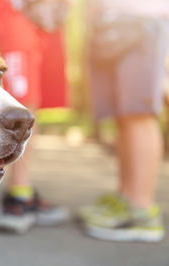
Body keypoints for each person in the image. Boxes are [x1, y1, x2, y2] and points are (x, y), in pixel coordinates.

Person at [79, 0, 169, 242]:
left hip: (144, 20)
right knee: (124, 116)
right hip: (111, 20)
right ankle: (127, 198)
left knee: (139, 114)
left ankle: (142, 210)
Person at [0, 0, 70, 234]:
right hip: (20, 10)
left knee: (34, 105)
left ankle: (21, 190)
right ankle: (17, 196)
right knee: (21, 102)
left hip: (50, 15)